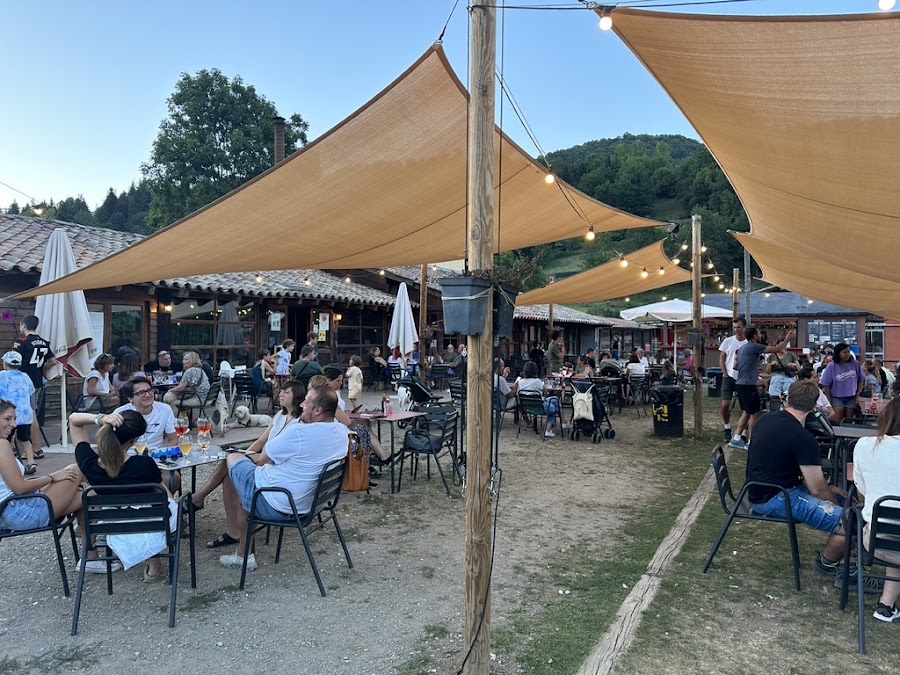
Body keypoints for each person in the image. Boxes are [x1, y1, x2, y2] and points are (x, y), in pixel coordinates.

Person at [217, 386, 349, 571]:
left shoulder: (299, 433)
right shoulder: (342, 433)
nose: (302, 404)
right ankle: (242, 546)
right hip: (311, 503)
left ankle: (243, 555)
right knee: (241, 485)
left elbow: (263, 459)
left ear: (318, 410)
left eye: (307, 401)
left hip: (279, 503)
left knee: (232, 458)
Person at [746, 380, 851, 584]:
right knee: (850, 521)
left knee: (846, 501)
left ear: (787, 398)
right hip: (776, 497)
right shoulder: (802, 437)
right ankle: (831, 562)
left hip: (760, 491)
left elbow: (818, 488)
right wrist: (834, 503)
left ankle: (847, 559)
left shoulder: (766, 419)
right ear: (814, 407)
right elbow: (817, 489)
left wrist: (831, 492)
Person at [70, 410, 170, 580]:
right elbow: (163, 495)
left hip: (112, 526)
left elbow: (73, 420)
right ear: (134, 440)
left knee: (92, 495)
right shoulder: (144, 464)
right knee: (165, 502)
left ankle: (90, 549)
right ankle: (153, 563)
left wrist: (99, 418)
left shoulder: (89, 464)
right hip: (148, 525)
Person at [0, 400, 82, 533]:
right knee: (76, 470)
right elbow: (20, 488)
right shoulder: (1, 445)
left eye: (14, 419)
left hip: (9, 511)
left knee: (85, 495)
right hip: (17, 513)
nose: (14, 424)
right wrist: (51, 477)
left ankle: (90, 548)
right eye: (7, 419)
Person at [852, 396, 900, 621]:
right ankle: (885, 604)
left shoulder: (864, 445)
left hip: (877, 541)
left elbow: (862, 488)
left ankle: (886, 604)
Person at [729, 328, 793, 449]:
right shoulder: (754, 346)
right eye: (759, 333)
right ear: (754, 336)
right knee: (755, 413)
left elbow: (736, 366)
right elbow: (777, 349)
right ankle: (751, 442)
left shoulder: (742, 348)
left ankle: (736, 438)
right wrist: (787, 339)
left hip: (740, 384)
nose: (761, 335)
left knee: (747, 411)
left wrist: (751, 372)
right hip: (748, 386)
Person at [13, 315, 56, 459]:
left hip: (23, 383)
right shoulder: (43, 342)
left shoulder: (21, 342)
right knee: (31, 412)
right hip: (37, 381)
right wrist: (41, 367)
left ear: (23, 326)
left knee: (28, 414)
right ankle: (34, 448)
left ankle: (35, 449)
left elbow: (14, 362)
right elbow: (53, 361)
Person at [114, 377, 178, 448]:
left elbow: (173, 439)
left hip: (156, 454)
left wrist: (165, 454)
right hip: (130, 455)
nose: (147, 395)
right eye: (141, 393)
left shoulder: (165, 409)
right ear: (130, 398)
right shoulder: (120, 413)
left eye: (149, 390)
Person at [0, 352, 37, 473]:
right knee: (25, 439)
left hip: (7, 414)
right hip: (25, 413)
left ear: (5, 363)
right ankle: (31, 461)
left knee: (5, 440)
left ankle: (10, 463)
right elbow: (32, 393)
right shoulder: (25, 376)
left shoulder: (2, 375)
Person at [718, 317, 748, 443]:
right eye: (735, 327)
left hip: (743, 377)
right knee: (725, 405)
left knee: (745, 407)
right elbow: (722, 358)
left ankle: (743, 432)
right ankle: (727, 427)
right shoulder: (728, 341)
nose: (737, 330)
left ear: (744, 327)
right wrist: (724, 372)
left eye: (739, 327)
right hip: (729, 376)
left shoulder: (748, 343)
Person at [820, 342, 864, 424]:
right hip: (837, 397)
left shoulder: (855, 363)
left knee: (849, 421)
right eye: (844, 352)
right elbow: (826, 385)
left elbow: (861, 380)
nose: (847, 354)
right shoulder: (831, 366)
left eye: (848, 352)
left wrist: (858, 394)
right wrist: (828, 401)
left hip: (852, 397)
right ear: (838, 353)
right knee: (837, 420)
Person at [516, 361, 560, 438]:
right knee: (555, 406)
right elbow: (546, 391)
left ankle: (562, 423)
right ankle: (548, 429)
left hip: (527, 408)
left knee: (554, 401)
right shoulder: (538, 382)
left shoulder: (520, 382)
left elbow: (517, 393)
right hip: (540, 407)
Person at [163, 351, 210, 417]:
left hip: (199, 399)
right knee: (180, 399)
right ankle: (187, 419)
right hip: (207, 398)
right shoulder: (200, 370)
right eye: (183, 359)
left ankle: (183, 421)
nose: (183, 361)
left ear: (192, 361)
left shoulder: (189, 371)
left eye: (186, 360)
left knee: (172, 402)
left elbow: (179, 388)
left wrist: (169, 390)